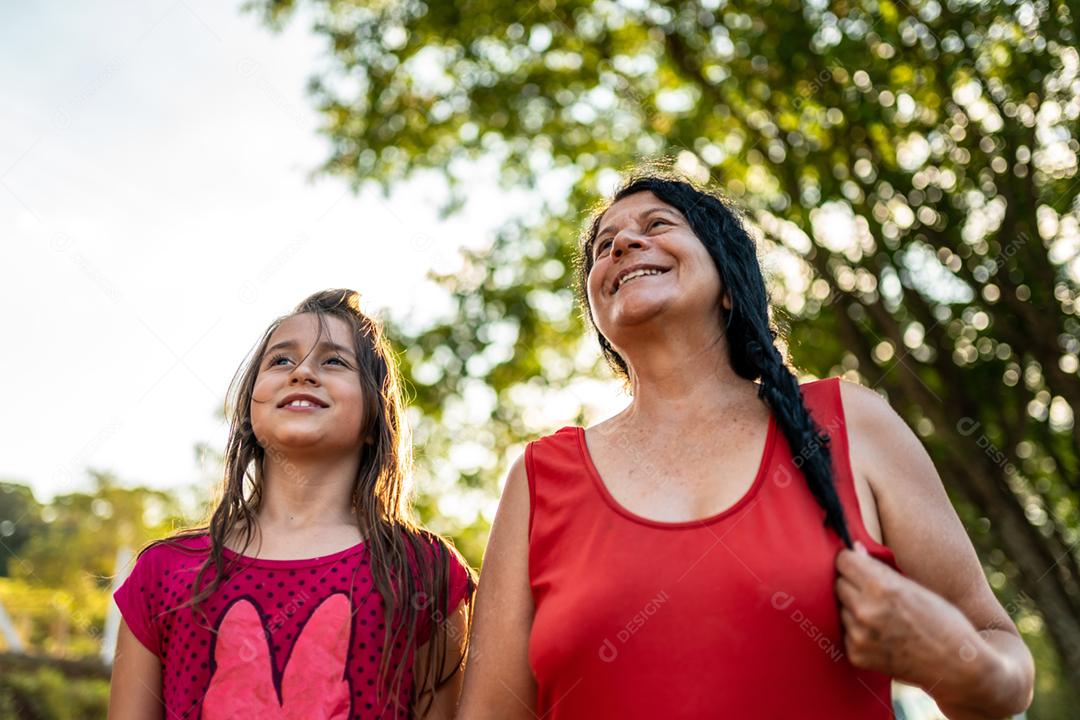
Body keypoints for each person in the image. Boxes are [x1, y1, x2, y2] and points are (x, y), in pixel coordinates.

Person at [458, 171, 1034, 718]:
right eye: (604, 244)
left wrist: (954, 658)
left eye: (657, 225)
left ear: (729, 284)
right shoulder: (539, 478)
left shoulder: (848, 422)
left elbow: (1002, 658)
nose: (623, 243)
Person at [108, 289, 474, 720]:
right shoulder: (163, 572)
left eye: (334, 361)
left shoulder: (422, 570)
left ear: (375, 417)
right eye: (281, 360)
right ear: (249, 411)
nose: (302, 372)